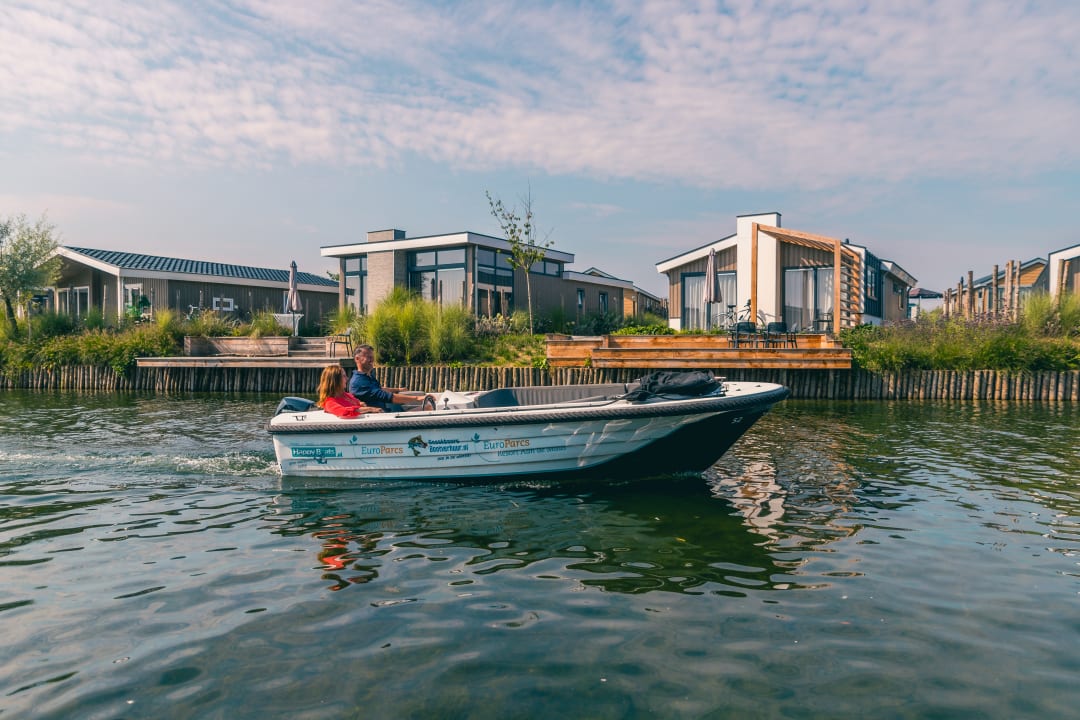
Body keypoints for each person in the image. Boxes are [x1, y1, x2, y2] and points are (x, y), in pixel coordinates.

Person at [349, 344, 417, 411]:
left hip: (386, 411)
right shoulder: (359, 382)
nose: (372, 360)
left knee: (425, 405)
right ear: (357, 359)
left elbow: (379, 389)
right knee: (426, 407)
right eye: (368, 357)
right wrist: (417, 398)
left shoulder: (367, 376)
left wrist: (398, 389)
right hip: (381, 417)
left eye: (372, 357)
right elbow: (386, 396)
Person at [315, 365, 383, 418]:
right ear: (335, 381)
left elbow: (357, 403)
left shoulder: (346, 395)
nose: (347, 378)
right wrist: (370, 409)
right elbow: (344, 412)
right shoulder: (330, 403)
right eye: (344, 376)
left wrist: (361, 404)